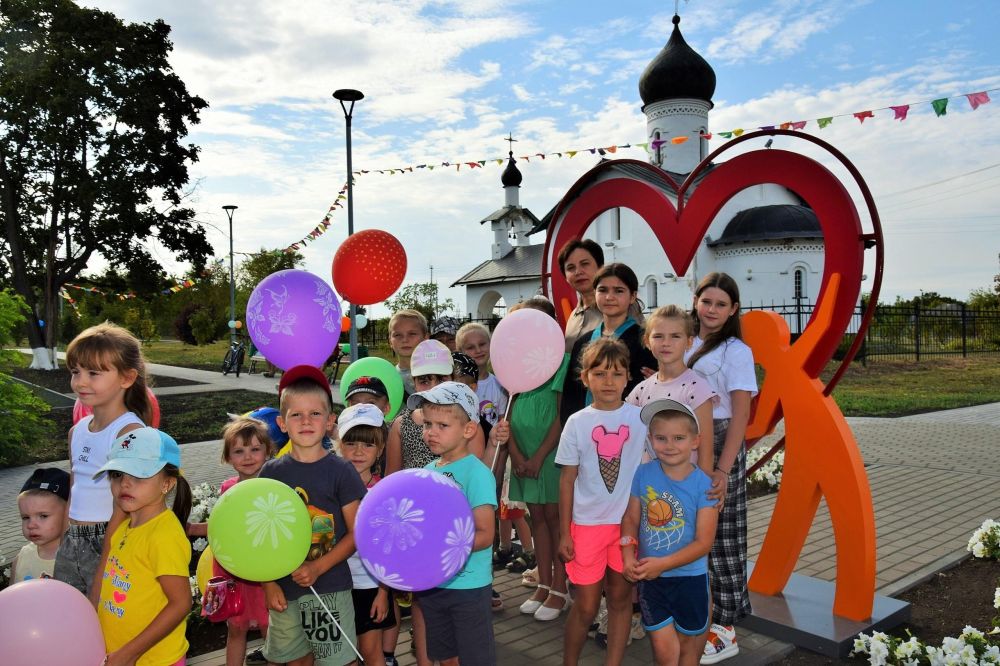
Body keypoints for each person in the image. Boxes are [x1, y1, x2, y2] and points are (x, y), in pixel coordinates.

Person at [259, 364, 367, 666]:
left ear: (330, 420)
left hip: (330, 585)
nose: (306, 421)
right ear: (282, 423)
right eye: (296, 415)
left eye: (315, 414)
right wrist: (269, 584)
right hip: (284, 590)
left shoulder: (342, 471)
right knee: (294, 659)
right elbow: (262, 538)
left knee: (337, 661)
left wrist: (318, 567)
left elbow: (357, 534)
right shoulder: (271, 473)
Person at [556, 337, 648, 666]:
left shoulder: (641, 419)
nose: (608, 381)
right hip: (586, 527)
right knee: (586, 606)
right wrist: (566, 532)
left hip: (627, 528)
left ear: (628, 378)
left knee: (622, 602)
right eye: (599, 373)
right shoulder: (578, 423)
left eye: (616, 373)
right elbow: (567, 479)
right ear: (585, 378)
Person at [684, 273, 758, 665]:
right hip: (685, 442)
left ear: (732, 310)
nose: (711, 310)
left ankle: (726, 627)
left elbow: (741, 411)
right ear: (695, 301)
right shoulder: (685, 340)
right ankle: (698, 617)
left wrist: (724, 470)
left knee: (725, 536)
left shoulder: (736, 351)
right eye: (706, 301)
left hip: (721, 442)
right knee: (692, 532)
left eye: (720, 304)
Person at [56, 322, 150, 600]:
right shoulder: (77, 431)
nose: (81, 381)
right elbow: (75, 489)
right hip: (73, 539)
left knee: (105, 620)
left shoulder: (128, 432)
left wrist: (107, 555)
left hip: (107, 541)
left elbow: (125, 501)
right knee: (71, 617)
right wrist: (65, 539)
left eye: (93, 373)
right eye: (76, 372)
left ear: (127, 378)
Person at [621, 400, 719, 666]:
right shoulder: (643, 473)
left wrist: (662, 564)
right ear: (651, 440)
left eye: (679, 438)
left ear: (695, 441)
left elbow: (704, 543)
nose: (670, 445)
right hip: (651, 581)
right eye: (661, 438)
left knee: (688, 651)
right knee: (665, 655)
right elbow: (630, 518)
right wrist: (628, 555)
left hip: (690, 581)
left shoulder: (705, 486)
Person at [408, 382, 498, 666]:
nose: (431, 432)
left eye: (442, 425)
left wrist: (443, 546)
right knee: (445, 656)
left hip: (469, 587)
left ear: (468, 430)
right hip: (434, 585)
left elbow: (485, 534)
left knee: (475, 659)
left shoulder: (478, 474)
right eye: (427, 424)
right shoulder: (426, 472)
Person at [493, 297, 571, 621]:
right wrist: (516, 454)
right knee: (536, 519)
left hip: (549, 457)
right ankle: (544, 580)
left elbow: (558, 416)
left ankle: (561, 588)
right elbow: (509, 412)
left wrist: (538, 458)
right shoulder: (518, 366)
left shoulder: (560, 363)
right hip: (523, 455)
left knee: (555, 519)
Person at [94, 427, 193, 666]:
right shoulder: (124, 527)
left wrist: (129, 654)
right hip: (120, 654)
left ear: (167, 484)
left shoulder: (163, 535)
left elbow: (181, 604)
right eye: (117, 474)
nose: (125, 483)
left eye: (138, 475)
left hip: (155, 660)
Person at [212, 417, 277, 666]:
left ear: (267, 451)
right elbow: (223, 528)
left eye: (254, 449)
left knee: (269, 628)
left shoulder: (274, 488)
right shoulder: (227, 489)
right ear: (228, 457)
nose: (247, 457)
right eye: (239, 451)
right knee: (236, 628)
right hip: (235, 572)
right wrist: (195, 528)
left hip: (267, 571)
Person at [627, 305, 718, 474]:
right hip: (649, 489)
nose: (666, 343)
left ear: (689, 342)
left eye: (675, 336)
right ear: (647, 341)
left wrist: (702, 495)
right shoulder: (640, 390)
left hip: (685, 488)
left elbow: (706, 453)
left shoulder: (697, 389)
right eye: (658, 336)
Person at [563, 263, 657, 424]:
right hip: (584, 430)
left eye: (618, 291)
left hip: (627, 430)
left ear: (633, 296)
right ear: (595, 293)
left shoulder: (646, 342)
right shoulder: (582, 342)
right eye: (603, 290)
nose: (609, 297)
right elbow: (570, 394)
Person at [338, 404, 395, 666]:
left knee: (371, 652)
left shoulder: (384, 494)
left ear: (381, 449)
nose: (359, 451)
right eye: (351, 443)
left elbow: (390, 549)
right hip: (336, 584)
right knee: (344, 652)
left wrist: (384, 592)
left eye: (368, 444)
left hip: (371, 585)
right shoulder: (331, 491)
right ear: (339, 444)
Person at [556, 238, 644, 353]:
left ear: (600, 267)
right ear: (566, 277)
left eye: (585, 264)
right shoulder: (574, 316)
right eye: (571, 268)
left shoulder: (621, 307)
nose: (578, 272)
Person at [13, 467, 69, 582]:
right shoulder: (22, 557)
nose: (31, 525)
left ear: (68, 514)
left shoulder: (77, 560)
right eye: (26, 517)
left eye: (43, 516)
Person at [388, 309, 429, 395]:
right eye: (398, 335)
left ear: (425, 338)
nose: (405, 340)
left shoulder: (440, 374)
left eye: (412, 334)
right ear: (390, 342)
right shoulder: (387, 378)